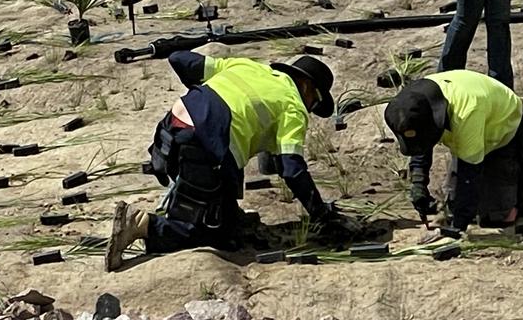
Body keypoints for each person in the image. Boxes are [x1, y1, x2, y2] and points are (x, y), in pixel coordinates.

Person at [105, 50, 363, 272]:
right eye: (314, 102)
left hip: (169, 131)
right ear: (306, 87)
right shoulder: (293, 106)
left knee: (228, 194)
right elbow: (292, 168)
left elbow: (180, 58)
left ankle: (219, 213)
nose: (310, 109)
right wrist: (321, 213)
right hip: (202, 148)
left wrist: (203, 102)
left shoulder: (246, 66)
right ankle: (141, 225)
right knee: (218, 237)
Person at [383, 69, 523, 232]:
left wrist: (456, 228)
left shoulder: (466, 113)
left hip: (505, 130)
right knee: (455, 204)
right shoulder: (415, 101)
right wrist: (418, 183)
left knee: (497, 217)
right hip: (472, 132)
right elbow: (421, 142)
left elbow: (470, 173)